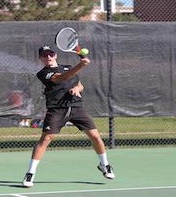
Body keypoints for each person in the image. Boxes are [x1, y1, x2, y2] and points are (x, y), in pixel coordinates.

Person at [21, 46, 115, 187]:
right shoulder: (43, 73)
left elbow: (79, 84)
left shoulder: (68, 67)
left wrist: (77, 88)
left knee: (95, 136)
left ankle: (105, 165)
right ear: (41, 58)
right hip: (57, 110)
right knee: (46, 139)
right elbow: (61, 79)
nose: (48, 57)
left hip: (77, 107)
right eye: (45, 55)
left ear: (56, 55)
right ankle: (30, 174)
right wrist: (80, 65)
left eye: (50, 54)